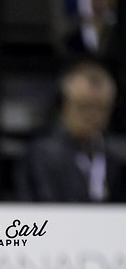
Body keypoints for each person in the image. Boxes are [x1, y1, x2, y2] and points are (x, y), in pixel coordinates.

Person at [16, 58, 125, 202]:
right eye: (84, 106)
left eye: (101, 107)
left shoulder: (118, 156)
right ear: (65, 104)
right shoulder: (41, 156)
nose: (92, 115)